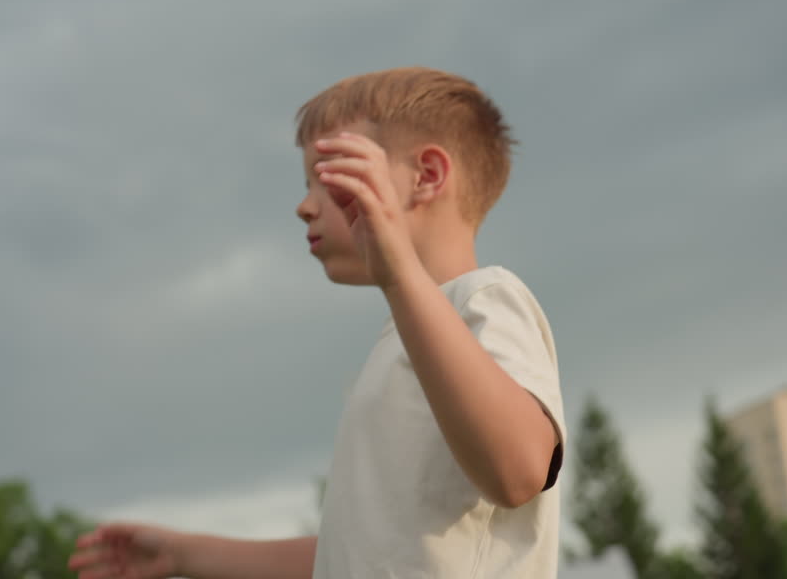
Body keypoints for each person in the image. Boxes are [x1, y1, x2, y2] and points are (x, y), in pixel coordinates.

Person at [69, 67, 565, 578]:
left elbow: (519, 468)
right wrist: (183, 555)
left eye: (329, 177)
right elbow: (350, 558)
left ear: (427, 177)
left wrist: (398, 275)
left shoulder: (483, 297)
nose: (304, 207)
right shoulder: (399, 344)